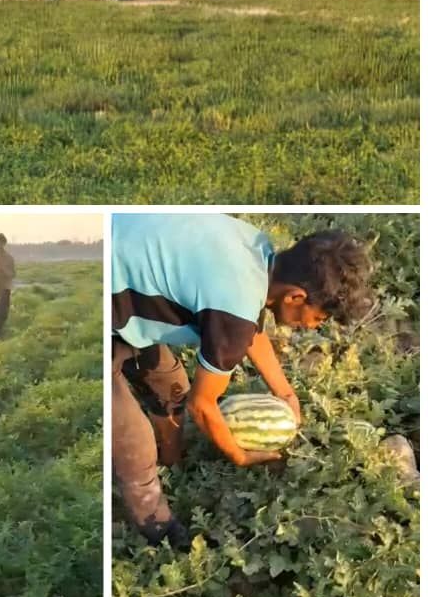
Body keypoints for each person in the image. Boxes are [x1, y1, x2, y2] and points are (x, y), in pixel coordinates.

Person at [112, 213, 372, 549]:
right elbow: (203, 407)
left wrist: (285, 392)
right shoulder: (234, 304)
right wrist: (239, 455)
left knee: (170, 383)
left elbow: (252, 328)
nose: (314, 327)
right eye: (318, 318)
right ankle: (158, 529)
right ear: (295, 297)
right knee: (135, 443)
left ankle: (173, 462)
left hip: (123, 267)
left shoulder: (256, 250)